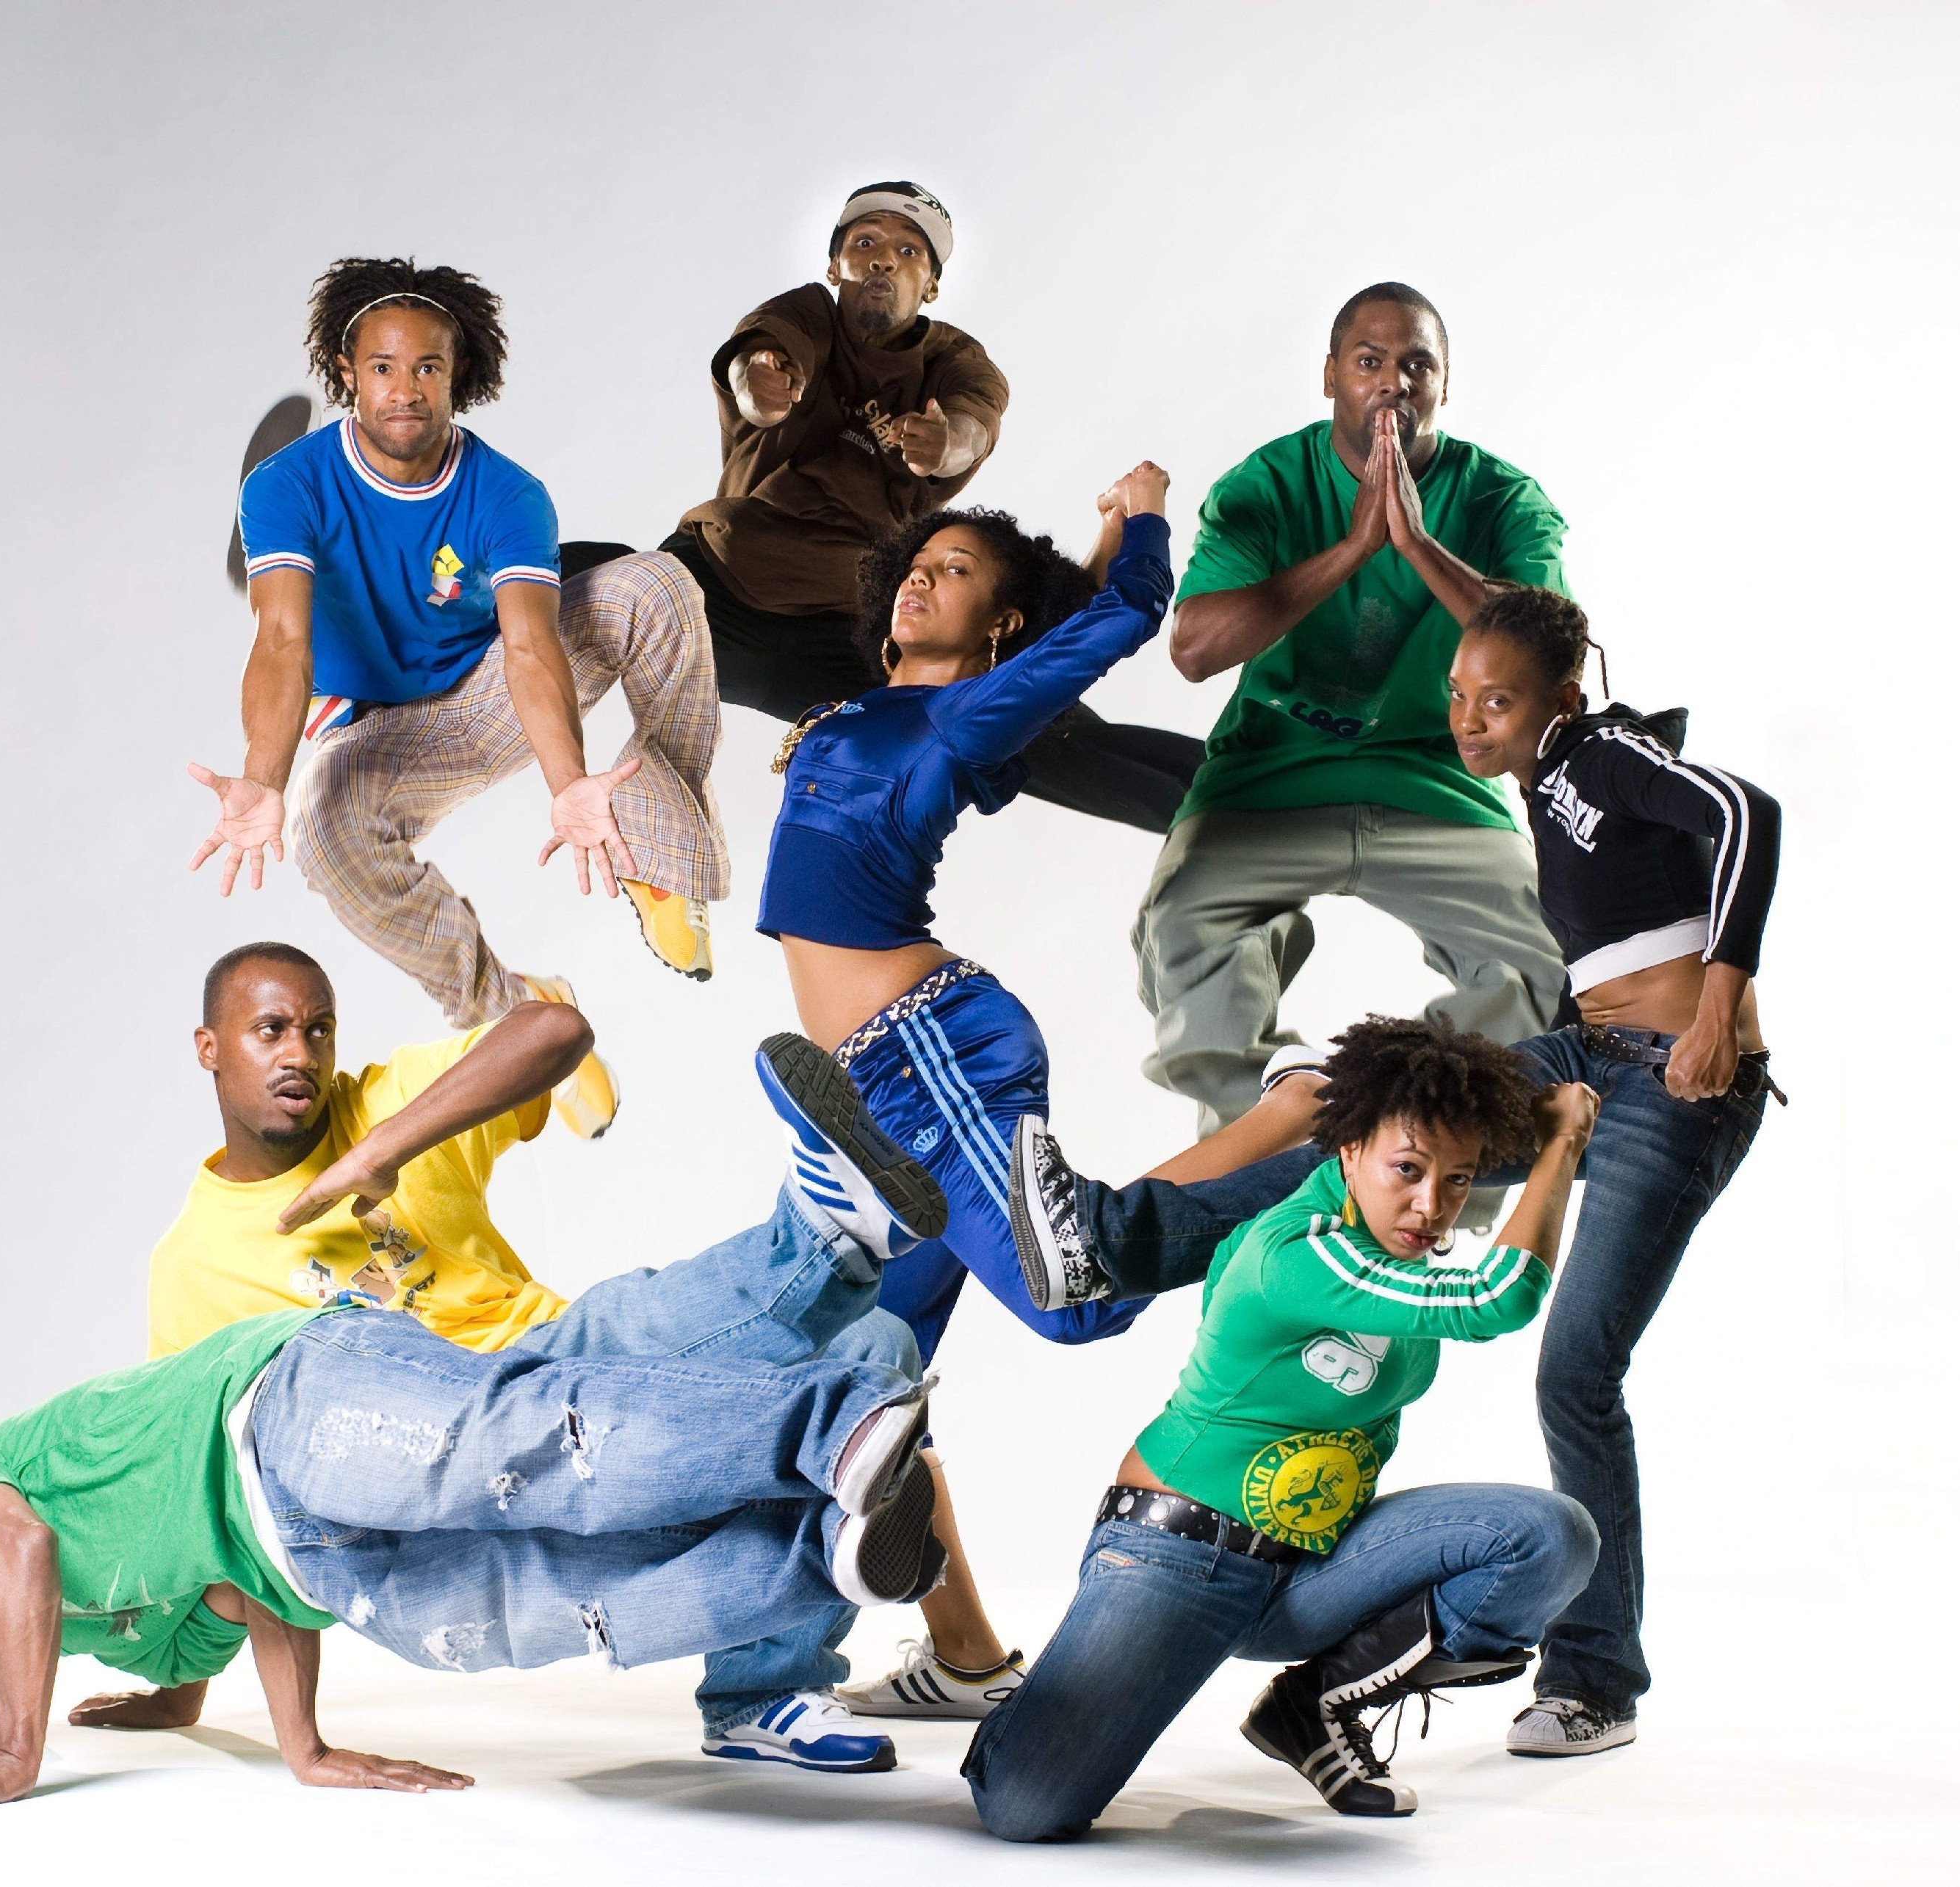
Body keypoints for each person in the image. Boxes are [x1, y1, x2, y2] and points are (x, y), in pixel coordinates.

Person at [1016, 582, 1783, 1759]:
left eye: (1496, 702)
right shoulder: (1540, 766)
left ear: (1560, 699)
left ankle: (1596, 1681)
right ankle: (1109, 1244)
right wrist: (1413, 542)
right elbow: (1505, 621)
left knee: (1576, 1375)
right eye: (1459, 695)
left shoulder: (1600, 752)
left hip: (1679, 1085)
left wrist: (1721, 1006)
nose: (1469, 719)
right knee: (1368, 1117)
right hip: (1587, 1047)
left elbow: (1746, 811)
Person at [0, 1035, 956, 1810]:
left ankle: (832, 1399)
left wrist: (20, 1750)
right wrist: (278, 1739)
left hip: (287, 1417)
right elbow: (238, 1596)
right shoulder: (102, 1636)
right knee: (572, 1607)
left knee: (534, 1439)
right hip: (326, 1564)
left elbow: (22, 1547)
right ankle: (829, 1555)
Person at [756, 464, 1331, 1720]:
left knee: (1075, 1299)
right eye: (919, 565)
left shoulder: (966, 719)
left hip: (928, 1055)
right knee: (860, 1389)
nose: (922, 580)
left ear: (1001, 626)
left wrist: (1141, 518)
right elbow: (1050, 618)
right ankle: (967, 1659)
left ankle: (1300, 1124)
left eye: (956, 572)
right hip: (863, 1103)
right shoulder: (883, 707)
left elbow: (1122, 614)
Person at [60, 941, 928, 1770]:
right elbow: (202, 1491)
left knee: (873, 1345)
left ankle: (762, 1687)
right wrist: (180, 1692)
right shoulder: (193, 1263)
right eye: (270, 1030)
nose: (300, 1052)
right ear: (210, 1047)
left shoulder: (378, 1104)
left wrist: (383, 1149)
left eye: (319, 1028)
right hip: (449, 1462)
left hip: (554, 1354)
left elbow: (557, 1030)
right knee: (818, 1386)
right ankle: (828, 1239)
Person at [961, 1018, 1602, 1838]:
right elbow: (1493, 1300)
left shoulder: (1394, 1261)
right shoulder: (1295, 1251)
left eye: (1458, 1180)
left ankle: (1311, 1706)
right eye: (1407, 1169)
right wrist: (1562, 1144)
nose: (1432, 1205)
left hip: (1311, 1566)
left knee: (1549, 1535)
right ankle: (1032, 1713)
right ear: (1349, 1150)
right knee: (1026, 1808)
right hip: (1181, 1559)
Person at [190, 257, 727, 1035]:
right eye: (383, 367)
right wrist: (264, 777)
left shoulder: (507, 493)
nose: (405, 390)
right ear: (347, 373)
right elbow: (281, 641)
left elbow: (531, 646)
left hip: (488, 691)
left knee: (659, 585)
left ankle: (659, 857)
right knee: (322, 832)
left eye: (427, 367)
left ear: (456, 373)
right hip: (380, 733)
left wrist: (570, 783)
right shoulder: (286, 485)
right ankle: (516, 1022)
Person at [1136, 281, 1572, 1134]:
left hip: (1439, 783)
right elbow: (1194, 650)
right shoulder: (1267, 482)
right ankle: (1278, 1148)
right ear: (1331, 375)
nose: (1393, 383)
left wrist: (1417, 543)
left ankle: (1414, 1146)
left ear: (1445, 383)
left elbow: (1551, 654)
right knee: (1181, 935)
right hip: (1270, 778)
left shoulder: (1503, 498)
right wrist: (1353, 548)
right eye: (1370, 361)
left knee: (1553, 973)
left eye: (1418, 365)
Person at [659, 182, 1204, 833]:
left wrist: (948, 445)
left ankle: (1260, 804)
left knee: (1038, 732)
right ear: (836, 266)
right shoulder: (807, 314)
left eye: (908, 251)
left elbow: (974, 421)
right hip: (715, 588)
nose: (883, 259)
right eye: (865, 243)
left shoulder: (954, 360)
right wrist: (757, 385)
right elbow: (755, 357)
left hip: (849, 631)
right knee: (572, 583)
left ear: (932, 284)